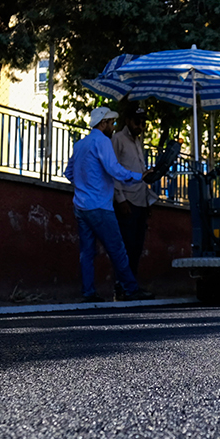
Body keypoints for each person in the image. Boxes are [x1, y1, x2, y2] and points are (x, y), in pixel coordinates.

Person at [64, 106, 154, 303]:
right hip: (100, 206)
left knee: (87, 251)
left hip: (81, 205)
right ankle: (131, 289)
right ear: (103, 123)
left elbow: (68, 173)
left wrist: (84, 185)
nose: (113, 126)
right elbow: (114, 170)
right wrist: (139, 176)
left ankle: (88, 292)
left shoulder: (80, 144)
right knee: (117, 249)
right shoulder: (103, 141)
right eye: (111, 123)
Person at [111, 104, 157, 287]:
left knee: (137, 247)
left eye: (143, 123)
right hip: (127, 201)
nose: (141, 126)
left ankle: (132, 284)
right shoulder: (118, 139)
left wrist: (148, 200)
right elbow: (113, 171)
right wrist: (120, 199)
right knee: (126, 246)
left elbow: (140, 172)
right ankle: (122, 285)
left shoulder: (137, 142)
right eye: (138, 122)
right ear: (128, 121)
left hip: (140, 201)